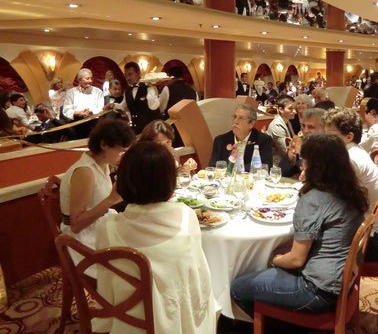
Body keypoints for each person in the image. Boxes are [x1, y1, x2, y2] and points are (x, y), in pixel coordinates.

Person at [231, 133, 368, 317]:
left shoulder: (313, 199)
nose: (301, 164)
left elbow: (296, 260)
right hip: (341, 278)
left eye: (304, 160)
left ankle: (279, 327)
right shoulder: (350, 189)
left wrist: (273, 259)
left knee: (238, 287)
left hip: (317, 289)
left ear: (315, 165)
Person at [94, 142, 216, 334]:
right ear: (169, 180)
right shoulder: (186, 216)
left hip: (130, 321)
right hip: (179, 321)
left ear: (123, 180)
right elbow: (198, 278)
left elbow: (105, 285)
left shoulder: (106, 227)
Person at [324, 108, 378, 262]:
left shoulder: (351, 159)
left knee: (316, 242)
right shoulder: (354, 151)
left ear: (349, 137)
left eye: (330, 135)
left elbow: (331, 196)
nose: (325, 139)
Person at [59, 120, 135, 269]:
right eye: (121, 151)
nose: (123, 156)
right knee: (132, 263)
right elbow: (76, 225)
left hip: (100, 225)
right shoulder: (85, 172)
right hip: (84, 237)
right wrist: (111, 200)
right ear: (104, 145)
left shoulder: (103, 163)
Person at [208, 104, 273, 172]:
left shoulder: (263, 140)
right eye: (235, 117)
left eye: (241, 118)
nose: (235, 121)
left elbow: (265, 167)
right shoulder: (220, 140)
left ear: (251, 124)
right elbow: (212, 167)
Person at [112, 62, 162, 134]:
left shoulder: (149, 87)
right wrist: (113, 105)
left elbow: (155, 106)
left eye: (130, 74)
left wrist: (152, 87)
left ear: (138, 73)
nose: (128, 78)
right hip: (137, 130)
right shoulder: (127, 91)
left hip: (152, 130)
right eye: (126, 75)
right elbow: (123, 106)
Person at [281, 107, 326, 177]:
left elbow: (317, 176)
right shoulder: (304, 142)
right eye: (303, 126)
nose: (305, 131)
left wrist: (301, 152)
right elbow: (282, 173)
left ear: (324, 128)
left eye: (311, 127)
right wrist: (290, 153)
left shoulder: (329, 147)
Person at [266, 94, 297, 165]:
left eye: (295, 108)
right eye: (290, 108)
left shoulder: (287, 121)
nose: (295, 111)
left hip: (287, 162)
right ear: (281, 109)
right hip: (277, 165)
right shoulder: (277, 126)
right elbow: (286, 152)